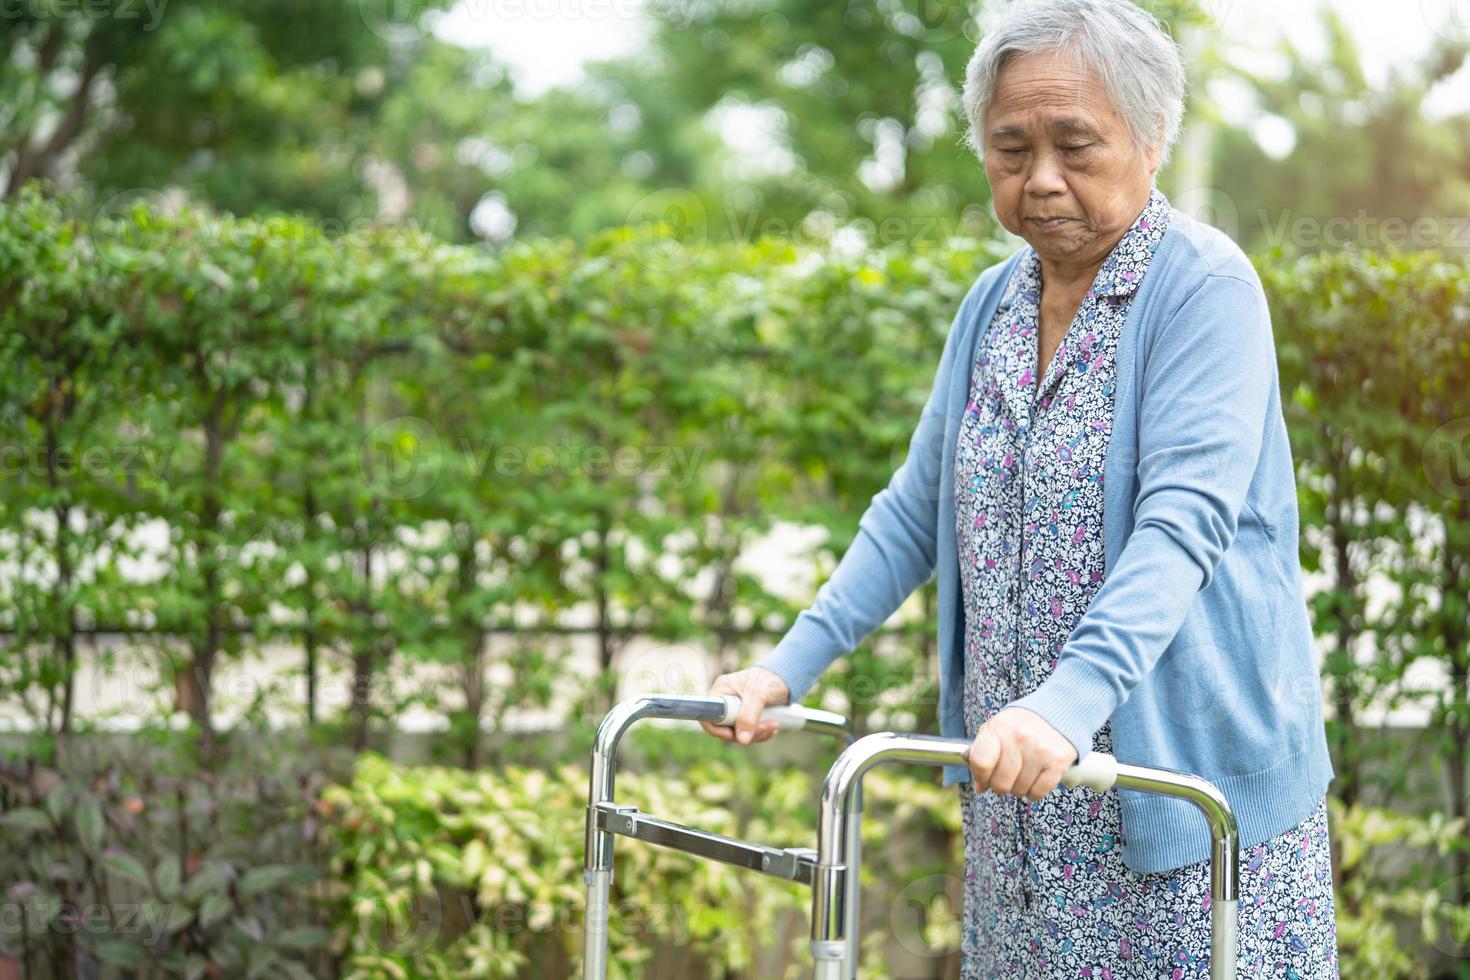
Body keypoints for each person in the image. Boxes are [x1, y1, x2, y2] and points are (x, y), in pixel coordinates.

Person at [701, 0, 1340, 974]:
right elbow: (919, 509)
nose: (1041, 179)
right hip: (1025, 807)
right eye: (1011, 148)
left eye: (1075, 144)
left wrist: (1061, 703)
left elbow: (1184, 525)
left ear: (1152, 135)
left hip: (1177, 799)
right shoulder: (991, 306)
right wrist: (784, 666)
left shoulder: (1205, 288)